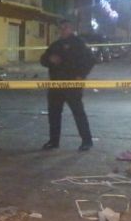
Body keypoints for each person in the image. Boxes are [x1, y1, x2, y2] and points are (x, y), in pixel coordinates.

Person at [40, 19, 95, 151]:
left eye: (65, 28)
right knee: (54, 114)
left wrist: (81, 76)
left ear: (71, 29)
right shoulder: (56, 45)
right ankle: (54, 141)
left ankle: (87, 141)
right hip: (56, 85)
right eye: (61, 28)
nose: (62, 30)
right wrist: (49, 60)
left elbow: (91, 60)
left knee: (78, 113)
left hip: (72, 86)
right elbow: (42, 60)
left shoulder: (79, 44)